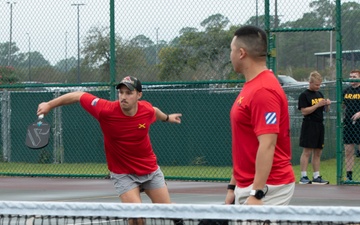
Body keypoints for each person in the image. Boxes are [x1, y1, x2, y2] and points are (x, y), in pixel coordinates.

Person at [37, 76, 183, 224]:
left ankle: (177, 216)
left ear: (139, 95)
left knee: (167, 211)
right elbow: (78, 95)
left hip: (149, 170)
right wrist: (49, 104)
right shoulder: (105, 110)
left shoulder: (146, 110)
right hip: (123, 174)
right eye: (121, 92)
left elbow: (155, 111)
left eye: (128, 93)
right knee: (137, 218)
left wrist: (167, 118)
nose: (123, 97)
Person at [225, 25, 295, 206]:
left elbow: (268, 144)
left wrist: (257, 193)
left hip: (269, 188)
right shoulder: (252, 86)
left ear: (241, 53)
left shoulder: (263, 90)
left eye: (231, 50)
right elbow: (246, 142)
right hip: (248, 185)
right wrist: (232, 188)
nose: (230, 55)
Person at [298, 71, 331, 185]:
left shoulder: (320, 94)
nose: (318, 86)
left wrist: (327, 105)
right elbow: (304, 111)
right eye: (316, 84)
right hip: (309, 125)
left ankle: (316, 176)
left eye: (319, 84)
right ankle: (303, 176)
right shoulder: (304, 95)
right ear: (310, 82)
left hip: (319, 125)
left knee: (318, 152)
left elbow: (325, 111)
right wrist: (317, 105)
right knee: (307, 151)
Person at [343, 70, 360, 183]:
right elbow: (343, 105)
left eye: (354, 77)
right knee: (348, 150)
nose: (352, 79)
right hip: (349, 124)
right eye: (350, 77)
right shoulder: (346, 91)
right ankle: (349, 176)